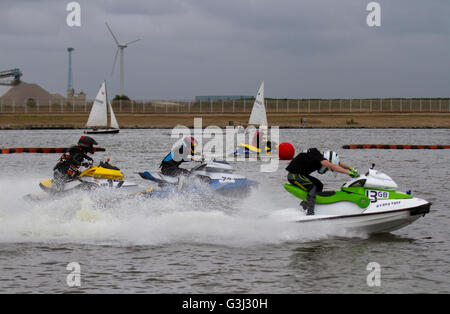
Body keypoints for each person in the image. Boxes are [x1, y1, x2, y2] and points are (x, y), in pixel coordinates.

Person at [286, 148, 359, 215]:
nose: (327, 170)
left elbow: (338, 164)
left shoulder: (319, 156)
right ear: (328, 161)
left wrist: (350, 168)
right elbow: (332, 166)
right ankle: (310, 213)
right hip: (294, 176)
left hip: (300, 175)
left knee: (319, 185)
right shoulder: (318, 157)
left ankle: (305, 206)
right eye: (327, 169)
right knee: (312, 187)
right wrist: (349, 173)